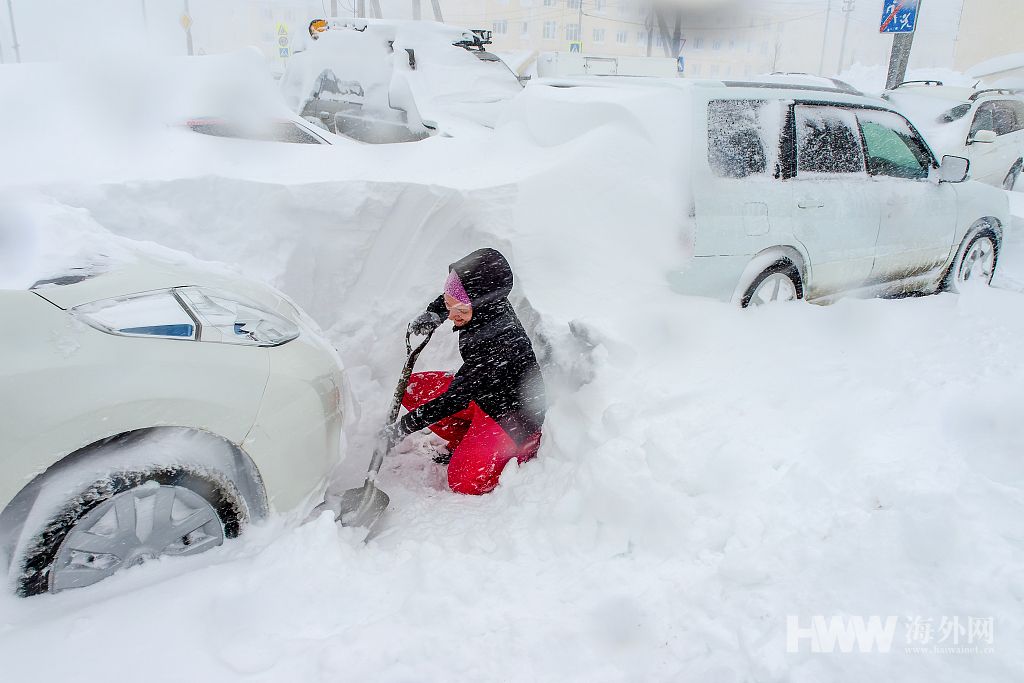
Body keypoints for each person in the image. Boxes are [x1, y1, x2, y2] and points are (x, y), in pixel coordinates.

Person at [383, 248, 546, 496]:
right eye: (451, 306)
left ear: (482, 304)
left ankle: (518, 450)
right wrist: (434, 313)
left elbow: (455, 398)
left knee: (464, 481)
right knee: (411, 388)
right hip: (479, 393)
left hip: (510, 416)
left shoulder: (501, 341)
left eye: (459, 310)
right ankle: (468, 439)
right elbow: (450, 298)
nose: (451, 314)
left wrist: (402, 428)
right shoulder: (480, 304)